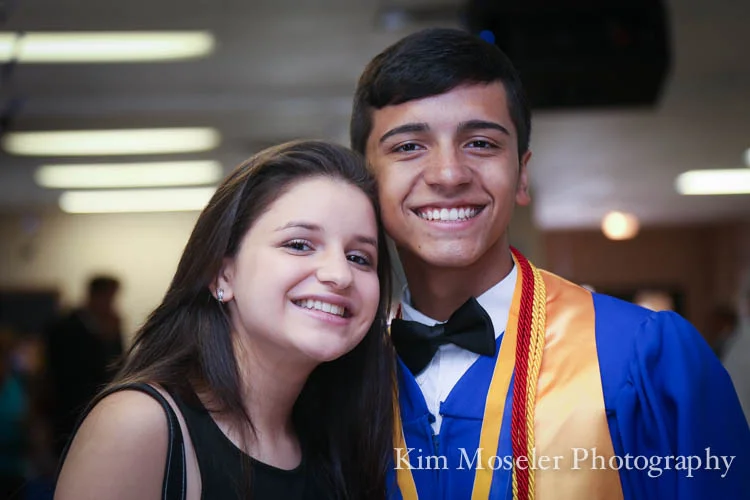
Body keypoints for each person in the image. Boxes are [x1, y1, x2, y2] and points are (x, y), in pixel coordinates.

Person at [350, 28, 750, 499]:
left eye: (481, 143)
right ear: (365, 184)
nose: (449, 174)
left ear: (522, 174)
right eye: (408, 147)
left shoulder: (643, 356)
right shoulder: (343, 377)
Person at [54, 141, 394, 500]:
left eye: (359, 257)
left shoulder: (347, 440)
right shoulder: (140, 424)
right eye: (298, 245)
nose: (339, 274)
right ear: (221, 274)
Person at [45, 275, 124, 455]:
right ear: (95, 296)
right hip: (70, 410)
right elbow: (61, 373)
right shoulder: (65, 326)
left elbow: (117, 365)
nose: (111, 305)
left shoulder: (111, 326)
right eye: (109, 298)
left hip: (103, 408)